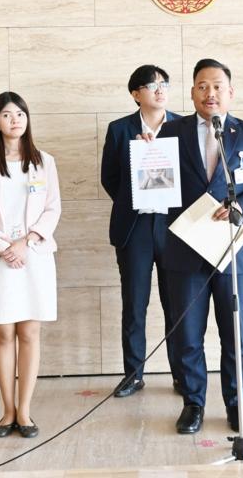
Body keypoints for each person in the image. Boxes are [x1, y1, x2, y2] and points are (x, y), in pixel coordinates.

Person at [154, 58, 243, 434]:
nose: (210, 93)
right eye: (202, 86)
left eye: (217, 86)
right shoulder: (169, 132)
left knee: (235, 335)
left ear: (230, 92)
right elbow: (155, 184)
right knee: (188, 336)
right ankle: (193, 404)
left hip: (231, 251)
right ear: (193, 92)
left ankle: (237, 403)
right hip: (185, 251)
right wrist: (146, 157)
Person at [0, 92, 61, 439]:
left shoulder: (44, 161)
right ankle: (7, 411)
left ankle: (25, 411)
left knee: (29, 333)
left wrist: (26, 242)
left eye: (20, 113)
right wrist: (5, 247)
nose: (15, 120)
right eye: (7, 115)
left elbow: (53, 207)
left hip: (33, 256)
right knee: (4, 334)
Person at [100, 65, 182, 398]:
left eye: (164, 84)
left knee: (176, 305)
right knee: (134, 304)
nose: (160, 90)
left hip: (173, 228)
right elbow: (109, 178)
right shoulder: (120, 130)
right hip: (135, 227)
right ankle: (133, 375)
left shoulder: (183, 127)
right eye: (151, 85)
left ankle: (182, 374)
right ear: (136, 94)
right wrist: (138, 183)